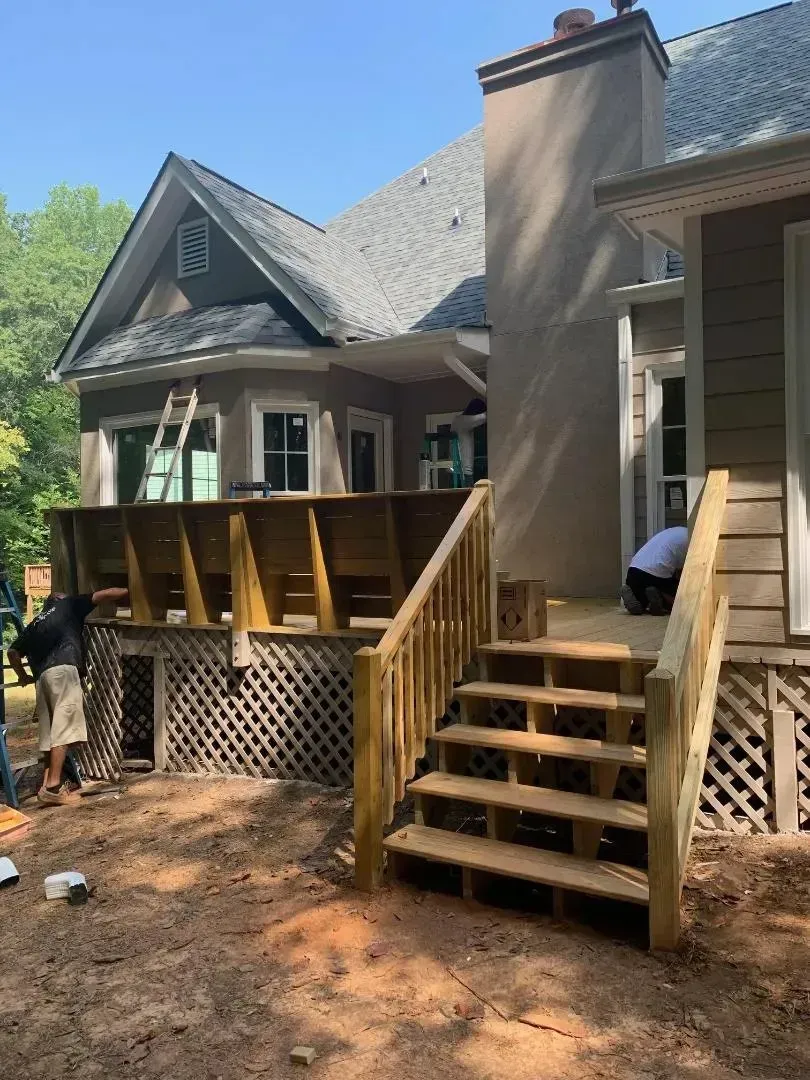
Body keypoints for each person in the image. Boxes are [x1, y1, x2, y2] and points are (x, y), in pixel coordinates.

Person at [7, 587, 129, 806]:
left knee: (51, 734)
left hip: (42, 678)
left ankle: (46, 786)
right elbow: (103, 594)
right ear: (59, 599)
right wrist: (129, 590)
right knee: (64, 730)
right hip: (63, 671)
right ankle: (54, 786)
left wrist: (23, 675)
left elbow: (12, 652)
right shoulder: (69, 605)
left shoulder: (35, 623)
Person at [621, 526, 688, 616]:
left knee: (641, 602)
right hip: (657, 574)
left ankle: (633, 593)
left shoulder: (675, 531)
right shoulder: (693, 541)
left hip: (634, 569)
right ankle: (659, 596)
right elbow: (683, 574)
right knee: (680, 605)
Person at [451, 398, 487, 487]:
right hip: (466, 472)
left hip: (456, 469)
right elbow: (483, 417)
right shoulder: (464, 422)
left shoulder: (457, 421)